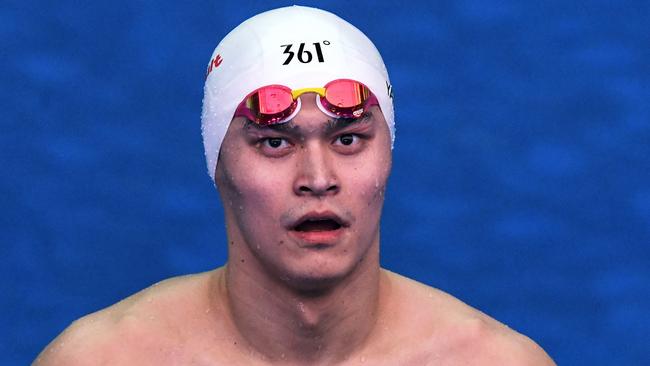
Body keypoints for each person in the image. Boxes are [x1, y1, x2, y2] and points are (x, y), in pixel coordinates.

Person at [35, 6, 555, 365]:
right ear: (218, 165)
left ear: (389, 157)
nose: (318, 179)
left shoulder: (495, 363)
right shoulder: (101, 361)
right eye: (275, 143)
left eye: (348, 140)